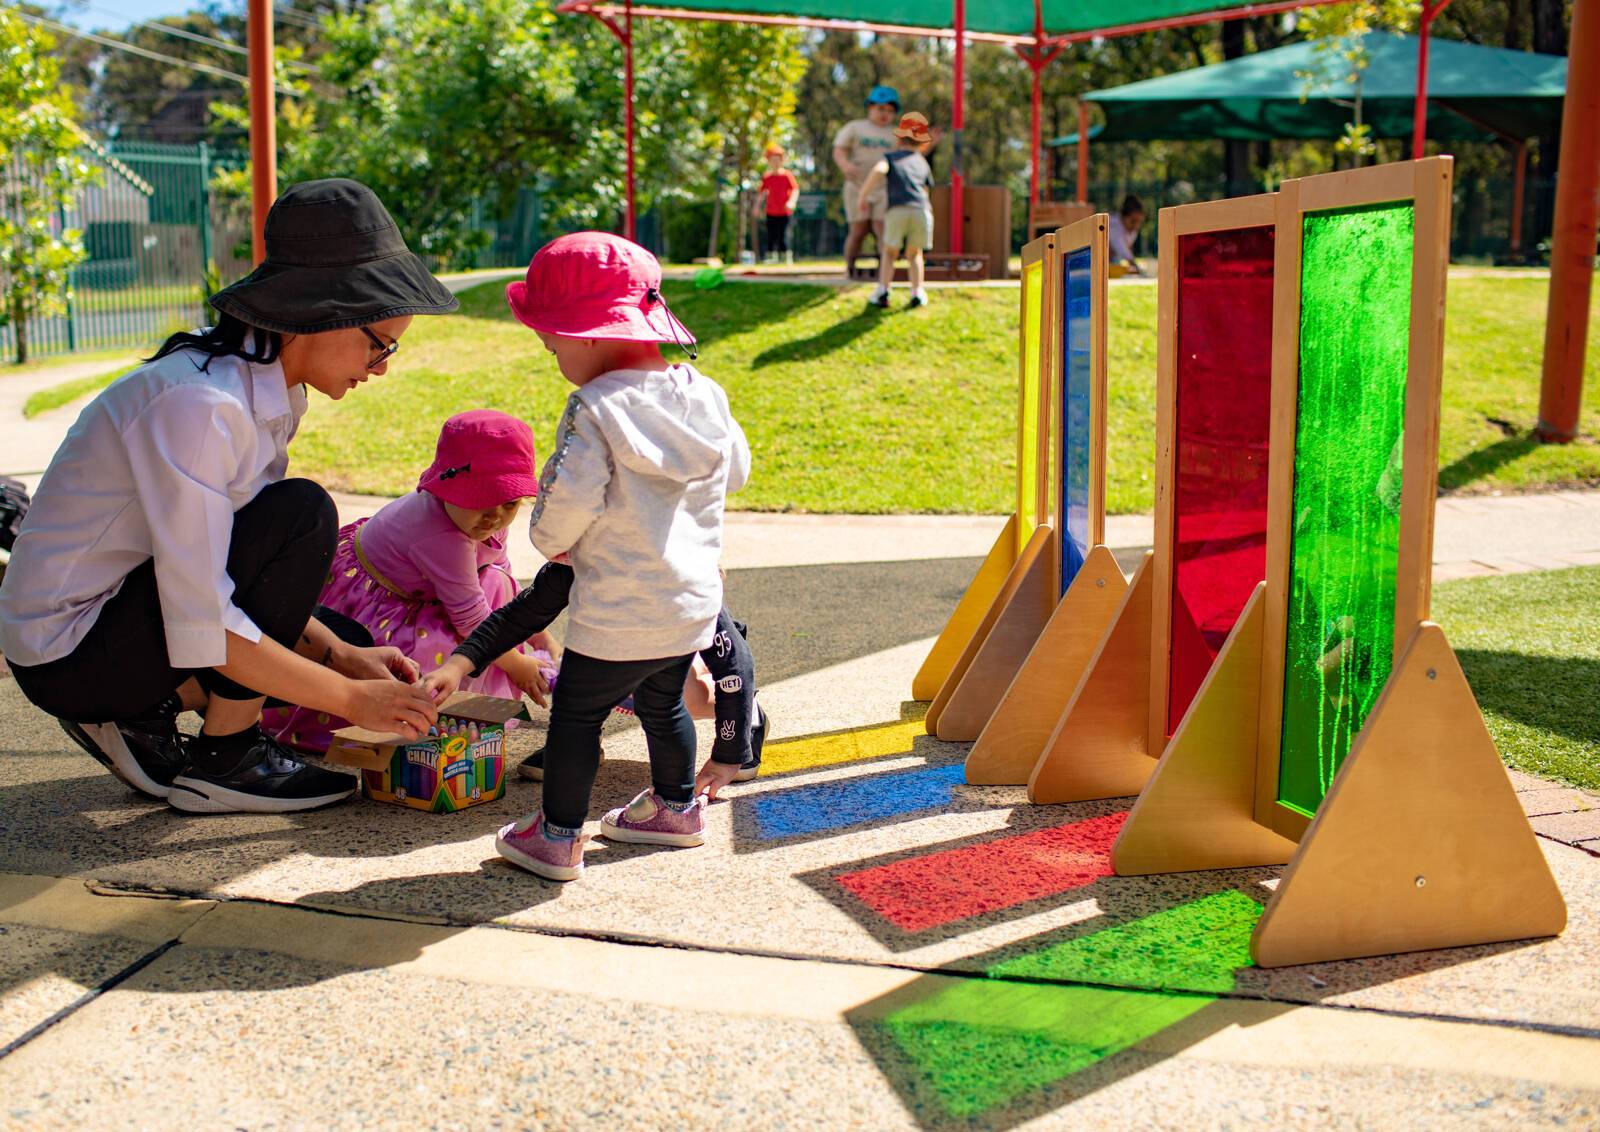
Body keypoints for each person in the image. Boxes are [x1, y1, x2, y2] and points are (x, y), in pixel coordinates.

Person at [0, 179, 451, 814]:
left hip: (121, 621)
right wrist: (351, 701)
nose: (382, 367)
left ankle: (143, 712)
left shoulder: (262, 389)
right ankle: (227, 758)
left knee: (336, 635)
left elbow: (236, 574)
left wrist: (343, 658)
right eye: (380, 344)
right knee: (304, 516)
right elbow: (205, 616)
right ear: (318, 314)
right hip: (70, 654)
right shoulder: (201, 407)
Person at [423, 232, 750, 883]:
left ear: (590, 334)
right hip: (690, 608)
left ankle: (555, 837)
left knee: (575, 718)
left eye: (553, 344)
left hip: (616, 613)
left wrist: (549, 536)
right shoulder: (705, 394)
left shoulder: (595, 408)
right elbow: (735, 470)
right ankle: (677, 809)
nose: (554, 357)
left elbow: (565, 510)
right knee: (665, 708)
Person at [261, 410, 559, 753]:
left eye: (509, 503)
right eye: (479, 500)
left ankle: (476, 706)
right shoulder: (440, 536)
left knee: (496, 581)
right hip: (380, 605)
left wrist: (537, 632)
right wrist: (519, 664)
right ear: (446, 489)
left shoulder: (484, 521)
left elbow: (504, 578)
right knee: (433, 648)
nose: (494, 517)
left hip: (427, 590)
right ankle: (422, 716)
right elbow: (471, 620)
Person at [857, 111, 936, 309]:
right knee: (915, 253)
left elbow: (878, 171)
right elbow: (926, 190)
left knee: (889, 252)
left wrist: (863, 196)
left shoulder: (890, 158)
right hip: (921, 210)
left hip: (898, 210)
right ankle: (918, 292)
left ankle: (883, 290)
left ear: (900, 137)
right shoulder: (922, 162)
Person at [833, 85, 900, 278]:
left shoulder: (896, 133)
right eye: (880, 109)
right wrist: (845, 166)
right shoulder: (855, 127)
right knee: (858, 229)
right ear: (870, 108)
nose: (884, 114)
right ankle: (850, 268)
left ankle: (885, 272)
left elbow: (908, 156)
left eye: (889, 110)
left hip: (883, 188)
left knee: (882, 229)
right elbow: (839, 150)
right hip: (857, 186)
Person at [758, 143, 800, 265]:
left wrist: (792, 201)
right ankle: (771, 256)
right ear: (769, 161)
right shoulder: (767, 177)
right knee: (771, 234)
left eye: (778, 159)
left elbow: (795, 189)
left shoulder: (787, 176)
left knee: (783, 235)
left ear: (782, 160)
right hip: (771, 211)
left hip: (785, 212)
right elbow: (761, 193)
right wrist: (756, 206)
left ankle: (785, 257)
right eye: (772, 160)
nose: (775, 162)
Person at [1109, 195, 1146, 275]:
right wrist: (1136, 267)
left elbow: (1128, 248)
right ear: (1123, 217)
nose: (1136, 226)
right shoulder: (1113, 225)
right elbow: (1122, 250)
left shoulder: (1132, 230)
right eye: (1133, 221)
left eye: (1139, 222)